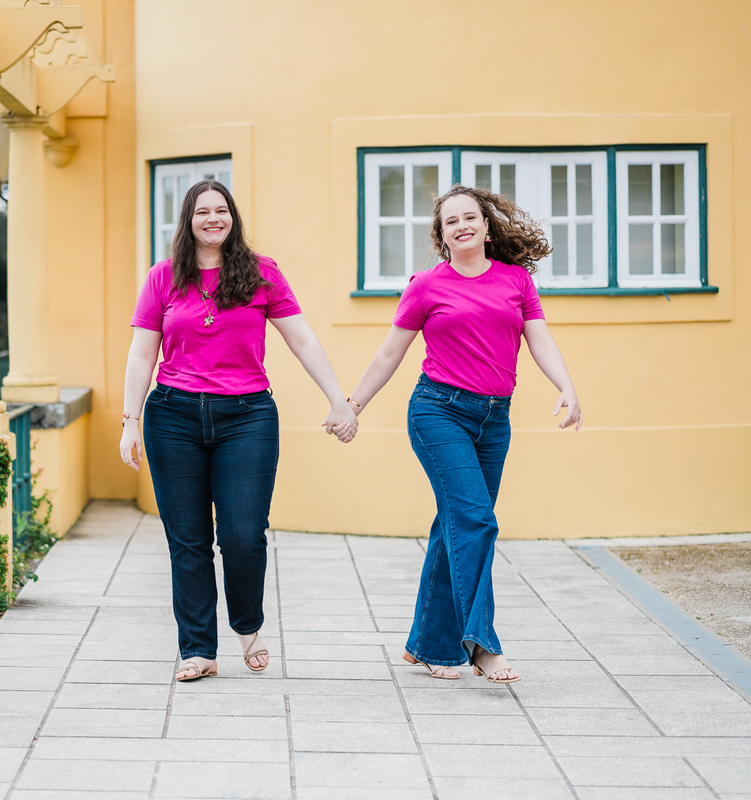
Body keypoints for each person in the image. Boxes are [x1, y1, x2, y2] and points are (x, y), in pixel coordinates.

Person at [119, 179, 356, 682]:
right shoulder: (164, 277)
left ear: (233, 218)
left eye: (220, 210)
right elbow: (142, 353)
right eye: (201, 211)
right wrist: (130, 421)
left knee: (244, 535)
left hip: (247, 416)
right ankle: (199, 649)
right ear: (187, 220)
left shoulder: (261, 273)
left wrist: (338, 398)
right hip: (173, 416)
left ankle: (247, 626)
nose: (212, 218)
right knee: (187, 539)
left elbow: (303, 340)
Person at [345, 185, 583, 683]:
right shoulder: (427, 286)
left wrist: (566, 386)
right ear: (442, 236)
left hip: (495, 420)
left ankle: (429, 646)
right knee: (476, 520)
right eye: (451, 221)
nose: (462, 226)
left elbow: (538, 337)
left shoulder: (516, 281)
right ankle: (481, 645)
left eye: (470, 217)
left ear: (486, 225)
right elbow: (391, 353)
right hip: (438, 413)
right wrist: (353, 406)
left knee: (453, 524)